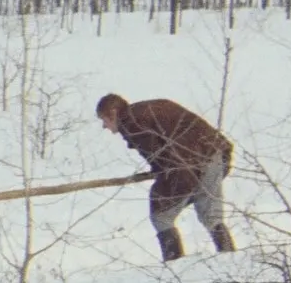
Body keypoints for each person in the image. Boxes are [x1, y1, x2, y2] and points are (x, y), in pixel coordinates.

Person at [95, 93, 237, 262]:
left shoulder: (132, 122)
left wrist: (163, 176)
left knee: (161, 216)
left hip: (188, 164)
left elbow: (163, 157)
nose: (105, 126)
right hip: (216, 153)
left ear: (113, 113)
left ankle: (174, 265)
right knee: (211, 216)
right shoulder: (151, 107)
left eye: (104, 119)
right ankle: (231, 259)